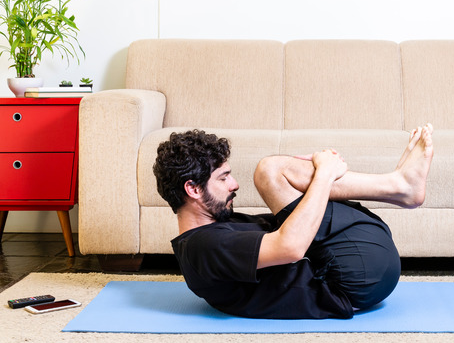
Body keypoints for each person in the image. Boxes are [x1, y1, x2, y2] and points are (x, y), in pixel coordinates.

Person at [153, 124, 434, 319]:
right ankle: (400, 185)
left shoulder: (212, 230)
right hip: (352, 278)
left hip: (354, 267)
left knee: (278, 172)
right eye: (223, 177)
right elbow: (291, 247)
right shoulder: (202, 247)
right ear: (193, 189)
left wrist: (312, 178)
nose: (234, 184)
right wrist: (323, 173)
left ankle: (399, 184)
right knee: (270, 171)